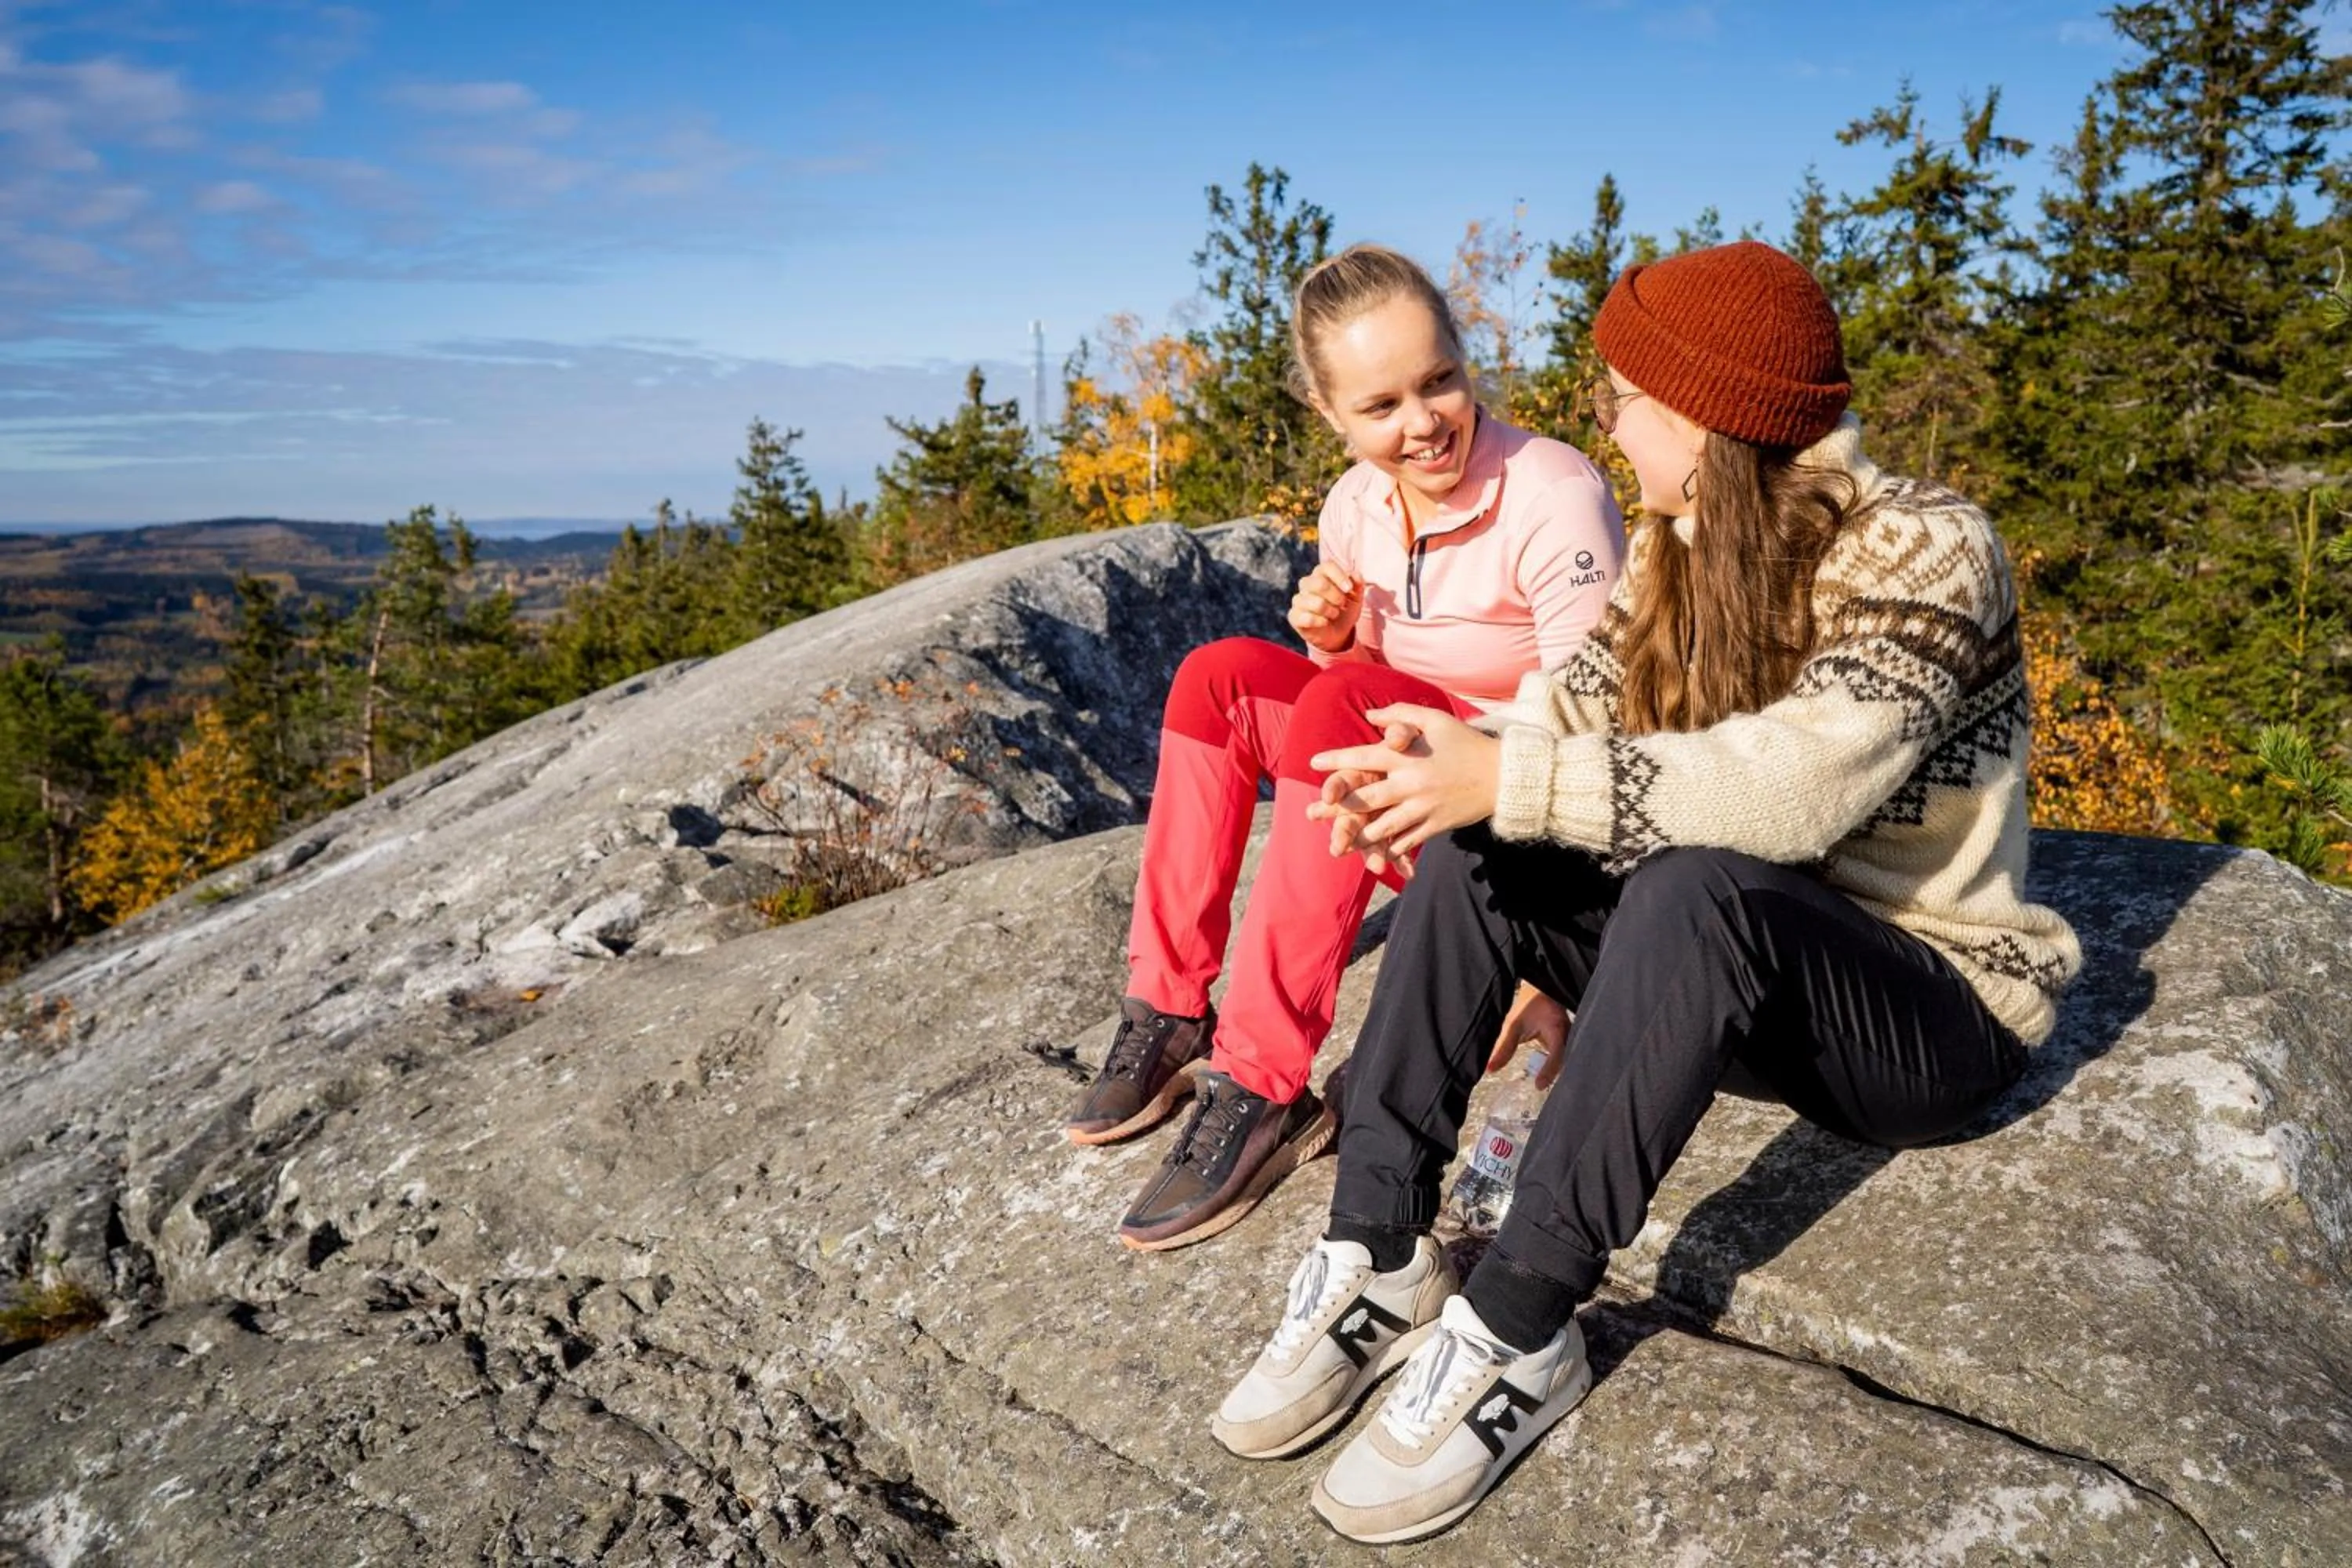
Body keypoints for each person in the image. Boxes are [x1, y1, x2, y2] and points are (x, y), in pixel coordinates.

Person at [1210, 240, 2082, 1543]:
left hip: (1928, 1010)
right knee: (1478, 846)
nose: (1607, 424)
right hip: (1743, 988)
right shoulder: (1676, 544)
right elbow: (1571, 705)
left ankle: (1518, 1329)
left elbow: (1798, 785)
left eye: (1628, 398)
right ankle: (1381, 1252)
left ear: (1711, 420)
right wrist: (1445, 767)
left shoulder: (1929, 548)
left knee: (1690, 886)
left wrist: (1516, 779)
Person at [1066, 243, 1624, 1253]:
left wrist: (1545, 970)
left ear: (1466, 362)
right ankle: (1168, 1006)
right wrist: (1331, 640)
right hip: (1408, 790)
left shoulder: (1553, 494)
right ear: (1331, 414)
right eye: (1380, 408)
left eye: (1440, 382)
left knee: (1341, 698)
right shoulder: (1355, 505)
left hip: (1531, 825)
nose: (1421, 425)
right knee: (1220, 677)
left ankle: (1263, 1083)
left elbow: (1601, 724)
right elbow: (1363, 687)